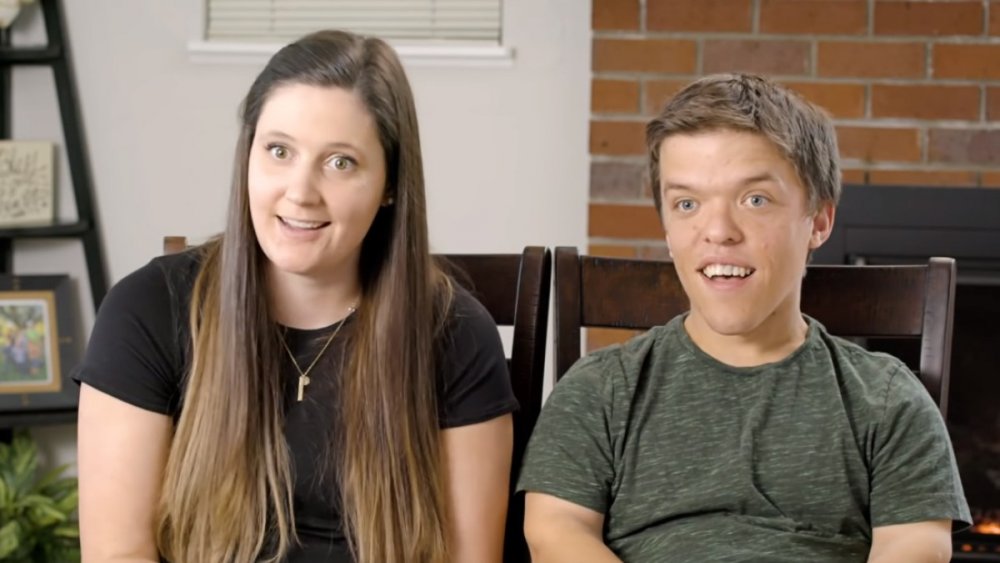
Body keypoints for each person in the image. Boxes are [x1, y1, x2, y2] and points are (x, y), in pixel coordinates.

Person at [75, 29, 516, 563]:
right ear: (247, 157)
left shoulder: (455, 333)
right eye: (279, 151)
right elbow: (119, 554)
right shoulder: (146, 310)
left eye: (340, 162)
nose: (300, 192)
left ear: (391, 185)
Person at [517, 73, 971, 563]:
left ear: (818, 221)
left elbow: (914, 548)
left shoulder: (885, 400)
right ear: (668, 230)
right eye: (687, 203)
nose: (718, 231)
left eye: (755, 200)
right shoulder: (600, 390)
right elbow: (556, 533)